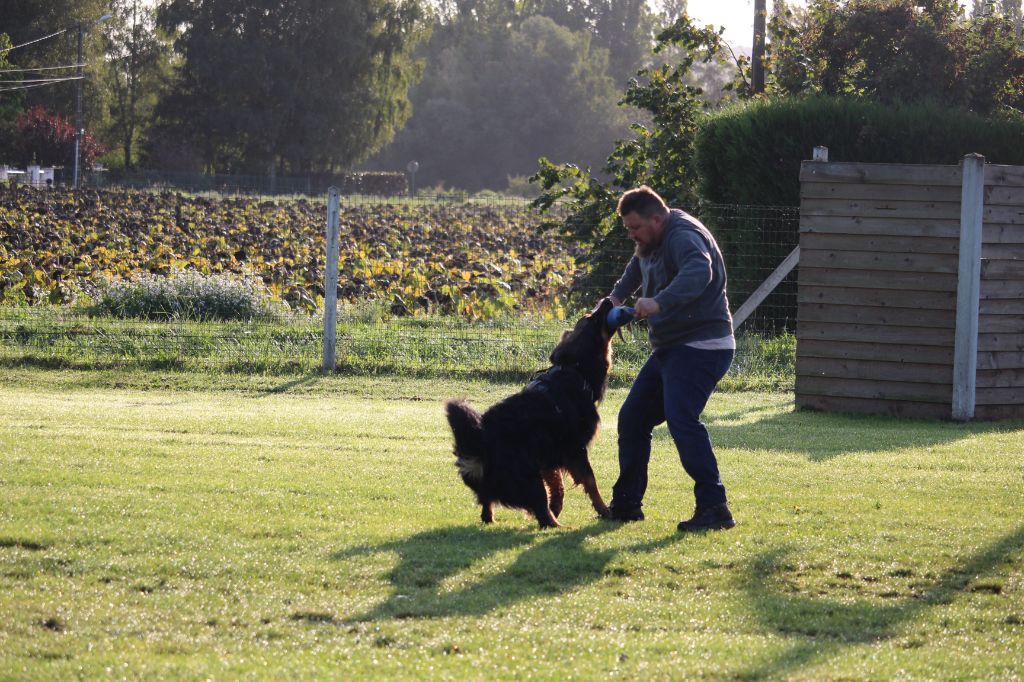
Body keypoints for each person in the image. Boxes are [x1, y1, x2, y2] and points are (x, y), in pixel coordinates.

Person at [605, 186, 736, 531]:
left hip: (702, 346)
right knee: (633, 418)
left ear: (656, 219)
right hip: (671, 347)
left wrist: (658, 301)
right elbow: (637, 265)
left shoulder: (683, 235)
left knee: (682, 419)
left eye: (635, 227)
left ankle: (715, 507)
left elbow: (700, 272)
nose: (632, 235)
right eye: (628, 229)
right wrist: (614, 299)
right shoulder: (652, 238)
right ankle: (626, 505)